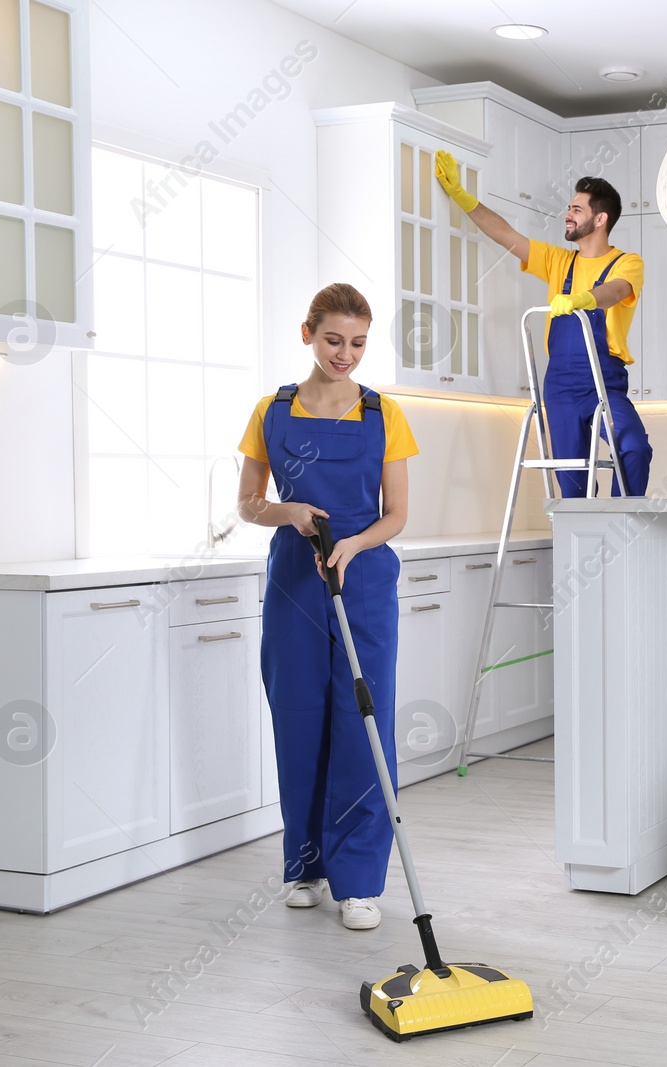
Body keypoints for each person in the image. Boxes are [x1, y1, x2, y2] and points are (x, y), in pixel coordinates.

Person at [236, 283, 418, 931]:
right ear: (307, 333)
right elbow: (248, 503)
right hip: (294, 580)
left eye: (359, 343)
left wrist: (353, 544)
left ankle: (360, 880)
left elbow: (396, 513)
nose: (346, 354)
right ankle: (305, 866)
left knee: (363, 724)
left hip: (363, 580)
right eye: (334, 339)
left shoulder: (382, 413)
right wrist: (288, 513)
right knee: (300, 721)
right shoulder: (271, 411)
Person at [434, 151, 651, 497]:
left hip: (604, 382)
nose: (567, 214)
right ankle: (583, 548)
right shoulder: (558, 261)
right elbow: (504, 235)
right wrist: (463, 197)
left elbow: (616, 290)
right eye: (569, 207)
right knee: (572, 481)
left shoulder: (628, 262)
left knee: (634, 449)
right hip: (560, 385)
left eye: (576, 210)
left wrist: (584, 299)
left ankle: (623, 526)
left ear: (600, 219)